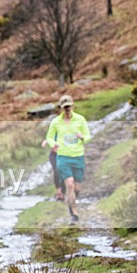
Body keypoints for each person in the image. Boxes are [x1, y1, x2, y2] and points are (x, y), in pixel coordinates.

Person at [45, 95, 91, 223]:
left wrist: (82, 137)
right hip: (63, 157)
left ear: (73, 106)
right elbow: (49, 137)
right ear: (61, 108)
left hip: (78, 157)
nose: (67, 109)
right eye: (65, 107)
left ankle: (71, 202)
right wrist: (52, 144)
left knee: (77, 188)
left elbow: (88, 136)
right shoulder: (55, 122)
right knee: (69, 184)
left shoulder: (80, 120)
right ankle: (74, 212)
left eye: (69, 106)